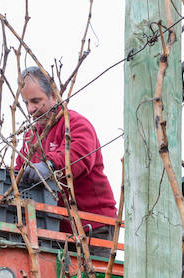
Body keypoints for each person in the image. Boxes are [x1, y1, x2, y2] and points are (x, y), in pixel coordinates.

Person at [15, 66, 117, 240]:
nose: (31, 109)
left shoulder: (75, 124)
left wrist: (50, 165)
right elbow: (18, 170)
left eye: (36, 100)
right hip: (56, 231)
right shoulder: (30, 137)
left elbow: (78, 157)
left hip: (94, 226)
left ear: (54, 95)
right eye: (26, 103)